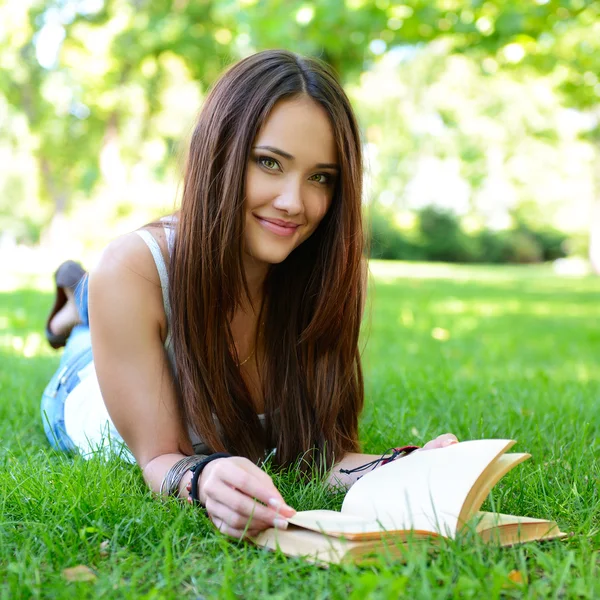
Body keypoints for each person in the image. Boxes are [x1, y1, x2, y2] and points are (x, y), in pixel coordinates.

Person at [40, 49, 458, 540]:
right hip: (82, 388)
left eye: (320, 177)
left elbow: (317, 458)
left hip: (144, 304)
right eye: (268, 163)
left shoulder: (320, 274)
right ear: (219, 153)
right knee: (95, 317)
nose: (293, 203)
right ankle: (74, 307)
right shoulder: (134, 269)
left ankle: (81, 300)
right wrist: (201, 477)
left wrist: (402, 468)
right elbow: (159, 460)